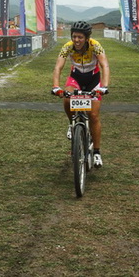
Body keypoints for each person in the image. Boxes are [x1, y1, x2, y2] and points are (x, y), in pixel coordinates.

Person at [52, 21, 110, 168]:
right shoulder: (68, 46)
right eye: (74, 37)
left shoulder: (95, 45)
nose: (76, 40)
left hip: (93, 80)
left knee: (94, 115)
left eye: (80, 37)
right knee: (66, 98)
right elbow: (58, 67)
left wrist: (104, 87)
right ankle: (72, 124)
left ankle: (96, 152)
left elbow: (104, 65)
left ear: (87, 38)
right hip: (76, 78)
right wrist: (56, 87)